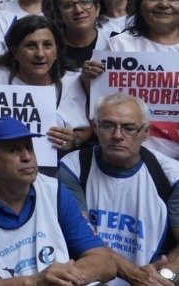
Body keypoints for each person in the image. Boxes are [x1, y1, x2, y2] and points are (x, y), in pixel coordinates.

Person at [0, 116, 115, 284]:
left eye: (29, 148)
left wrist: (63, 278)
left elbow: (104, 261)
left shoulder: (54, 191)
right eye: (14, 151)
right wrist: (35, 282)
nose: (27, 157)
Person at [59, 92, 179, 286]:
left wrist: (164, 277)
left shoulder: (172, 175)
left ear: (146, 132)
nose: (117, 135)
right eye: (108, 126)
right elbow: (81, 238)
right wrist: (135, 275)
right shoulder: (73, 168)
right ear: (96, 128)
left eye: (129, 128)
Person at [85, 0, 179, 156]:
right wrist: (88, 77)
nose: (164, 4)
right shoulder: (120, 45)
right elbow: (101, 101)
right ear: (139, 4)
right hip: (127, 152)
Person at [0, 16, 92, 156]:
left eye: (47, 45)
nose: (40, 54)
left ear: (57, 51)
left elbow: (88, 128)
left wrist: (74, 140)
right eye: (31, 45)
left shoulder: (74, 81)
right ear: (15, 52)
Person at [51, 0, 107, 71]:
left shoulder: (114, 41)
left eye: (85, 2)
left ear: (97, 9)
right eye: (68, 5)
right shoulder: (49, 47)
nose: (78, 10)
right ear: (58, 15)